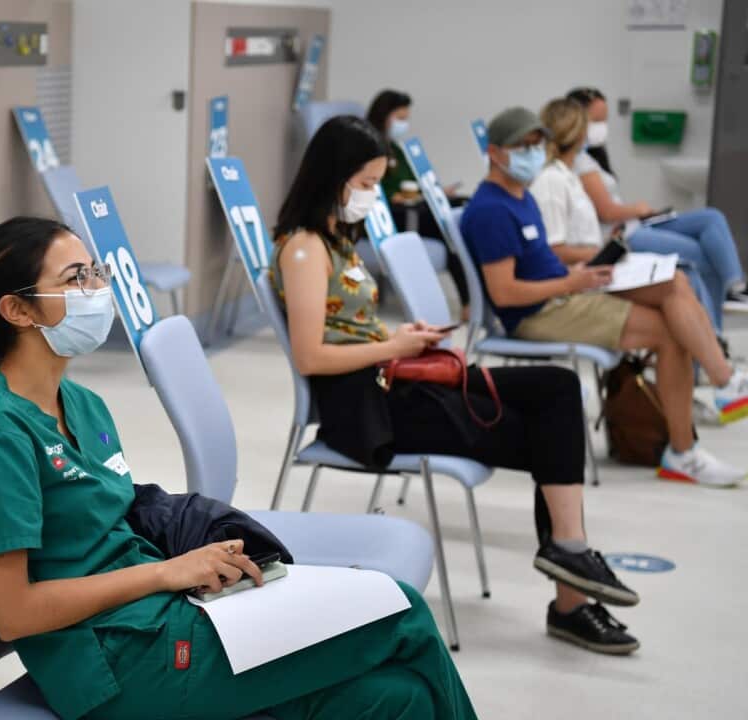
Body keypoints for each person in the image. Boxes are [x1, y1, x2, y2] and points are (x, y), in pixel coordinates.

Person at [0, 216, 477, 719]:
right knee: (401, 612)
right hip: (117, 665)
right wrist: (167, 572)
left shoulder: (81, 403)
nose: (97, 289)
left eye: (96, 272)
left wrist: (188, 570)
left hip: (169, 618)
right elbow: (12, 613)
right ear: (16, 310)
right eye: (75, 279)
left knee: (400, 697)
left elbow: (117, 523)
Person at [273, 114, 641, 655]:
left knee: (557, 388)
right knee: (550, 431)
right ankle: (571, 592)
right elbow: (312, 354)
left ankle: (568, 554)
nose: (375, 198)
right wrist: (393, 347)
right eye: (369, 184)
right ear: (333, 177)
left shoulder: (336, 238)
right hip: (366, 406)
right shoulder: (304, 248)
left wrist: (401, 336)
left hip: (393, 377)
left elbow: (346, 326)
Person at [461, 107, 748, 487]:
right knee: (668, 330)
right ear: (495, 153)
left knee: (674, 281)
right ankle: (696, 430)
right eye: (522, 146)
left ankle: (714, 400)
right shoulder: (490, 210)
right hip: (539, 312)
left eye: (537, 143)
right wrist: (570, 284)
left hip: (565, 290)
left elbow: (543, 262)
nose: (533, 152)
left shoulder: (519, 196)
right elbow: (506, 293)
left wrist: (578, 275)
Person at [566, 86, 748, 329]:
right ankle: (714, 332)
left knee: (711, 218)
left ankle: (735, 288)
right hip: (624, 234)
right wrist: (638, 209)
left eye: (604, 120)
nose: (602, 127)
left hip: (635, 224)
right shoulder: (579, 163)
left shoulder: (592, 157)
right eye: (596, 120)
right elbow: (607, 212)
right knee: (701, 255)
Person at [366, 89, 471, 316]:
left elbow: (413, 184)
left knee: (461, 212)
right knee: (448, 232)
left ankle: (471, 300)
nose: (404, 124)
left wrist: (434, 192)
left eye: (406, 119)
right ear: (383, 115)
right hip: (395, 216)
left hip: (414, 209)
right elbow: (379, 191)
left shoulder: (397, 149)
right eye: (400, 118)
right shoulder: (369, 148)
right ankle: (467, 303)